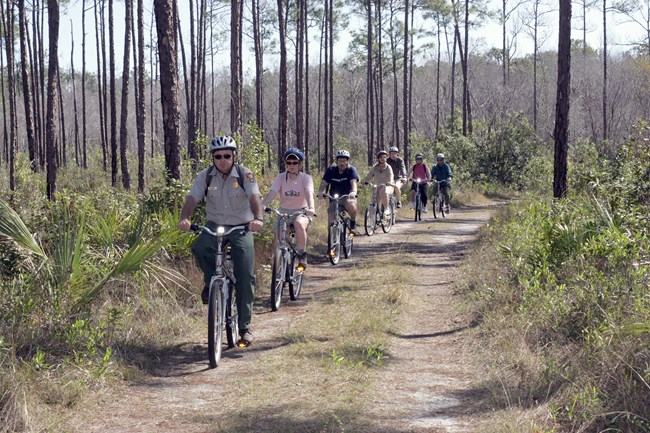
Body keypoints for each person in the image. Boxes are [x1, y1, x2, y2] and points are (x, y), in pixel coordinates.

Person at [177, 135, 264, 347]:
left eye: (227, 155)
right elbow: (192, 198)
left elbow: (255, 198)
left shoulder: (245, 175)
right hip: (215, 225)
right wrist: (185, 218)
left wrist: (258, 219)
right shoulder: (205, 176)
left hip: (241, 227)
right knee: (199, 247)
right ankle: (210, 282)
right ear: (213, 158)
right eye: (218, 156)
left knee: (244, 272)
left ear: (234, 156)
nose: (223, 159)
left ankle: (244, 327)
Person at [261, 147, 315, 270]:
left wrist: (311, 208)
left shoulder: (306, 178)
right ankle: (279, 272)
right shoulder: (281, 178)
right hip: (283, 212)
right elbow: (272, 192)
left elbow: (308, 193)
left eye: (295, 163)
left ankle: (302, 255)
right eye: (289, 163)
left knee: (299, 224)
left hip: (301, 211)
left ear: (299, 164)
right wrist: (263, 204)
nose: (291, 165)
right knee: (278, 244)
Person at [316, 149, 361, 235]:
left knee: (352, 206)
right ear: (336, 161)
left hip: (347, 197)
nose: (342, 163)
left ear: (347, 161)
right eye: (340, 160)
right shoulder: (331, 170)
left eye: (344, 160)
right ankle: (332, 240)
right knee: (330, 221)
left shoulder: (351, 169)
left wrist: (354, 192)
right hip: (334, 198)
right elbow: (324, 182)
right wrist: (320, 192)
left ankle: (353, 224)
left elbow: (353, 182)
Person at [362, 150, 395, 217]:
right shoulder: (375, 167)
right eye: (381, 157)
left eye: (384, 157)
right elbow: (369, 175)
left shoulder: (388, 167)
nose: (382, 159)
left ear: (386, 158)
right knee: (374, 201)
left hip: (388, 186)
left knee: (383, 191)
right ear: (378, 159)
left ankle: (386, 208)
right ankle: (374, 217)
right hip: (377, 187)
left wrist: (391, 181)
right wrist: (365, 181)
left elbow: (391, 175)